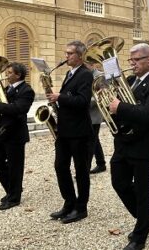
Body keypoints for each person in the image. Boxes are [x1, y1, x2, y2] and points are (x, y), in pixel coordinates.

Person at [108, 43, 149, 250]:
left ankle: (140, 236)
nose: (131, 63)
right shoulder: (130, 80)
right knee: (119, 183)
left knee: (143, 191)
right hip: (123, 142)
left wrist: (120, 107)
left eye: (136, 59)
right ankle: (147, 218)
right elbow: (112, 98)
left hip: (143, 145)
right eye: (130, 60)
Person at [47, 40, 93, 224]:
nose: (66, 56)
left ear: (80, 56)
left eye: (70, 54)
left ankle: (81, 208)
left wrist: (61, 96)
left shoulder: (85, 75)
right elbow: (70, 100)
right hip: (64, 130)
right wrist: (55, 101)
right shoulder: (69, 73)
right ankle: (69, 203)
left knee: (81, 171)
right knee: (60, 167)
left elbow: (83, 102)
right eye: (66, 53)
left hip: (80, 131)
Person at [0, 62, 35, 210]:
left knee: (15, 167)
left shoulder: (27, 90)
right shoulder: (6, 88)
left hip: (15, 134)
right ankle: (12, 190)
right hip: (2, 132)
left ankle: (14, 198)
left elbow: (18, 109)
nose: (6, 75)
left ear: (18, 75)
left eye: (9, 73)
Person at [87, 63, 107, 174]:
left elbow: (102, 96)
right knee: (94, 140)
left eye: (87, 63)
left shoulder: (100, 76)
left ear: (93, 64)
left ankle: (86, 168)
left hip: (94, 114)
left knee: (91, 142)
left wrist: (84, 101)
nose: (85, 65)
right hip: (85, 113)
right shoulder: (85, 75)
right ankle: (101, 163)